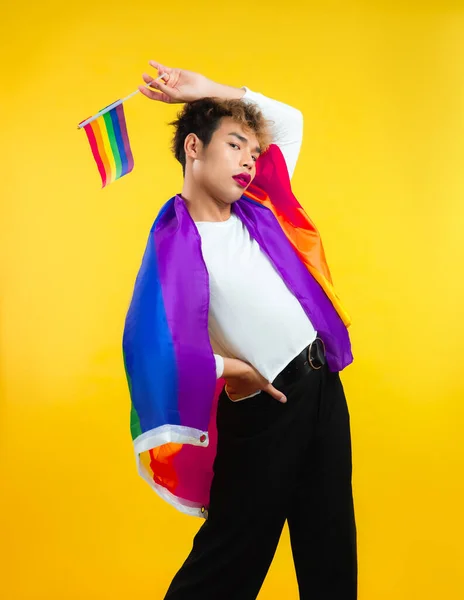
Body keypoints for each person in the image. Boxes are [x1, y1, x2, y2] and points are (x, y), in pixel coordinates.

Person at [126, 60, 357, 599]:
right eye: (234, 146)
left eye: (254, 153)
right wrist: (230, 369)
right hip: (265, 402)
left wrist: (209, 89)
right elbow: (149, 346)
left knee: (331, 551)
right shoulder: (177, 241)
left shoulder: (259, 209)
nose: (251, 162)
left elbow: (291, 121)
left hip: (322, 385)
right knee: (230, 557)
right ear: (192, 148)